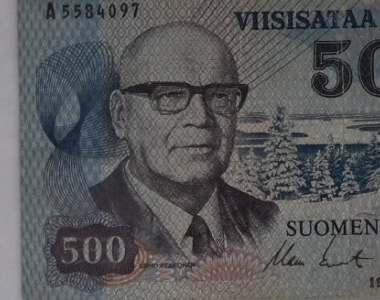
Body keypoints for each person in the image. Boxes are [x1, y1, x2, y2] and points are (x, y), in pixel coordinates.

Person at [89, 22, 277, 262]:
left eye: (220, 95)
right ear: (120, 115)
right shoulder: (83, 216)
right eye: (170, 95)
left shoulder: (269, 222)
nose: (201, 118)